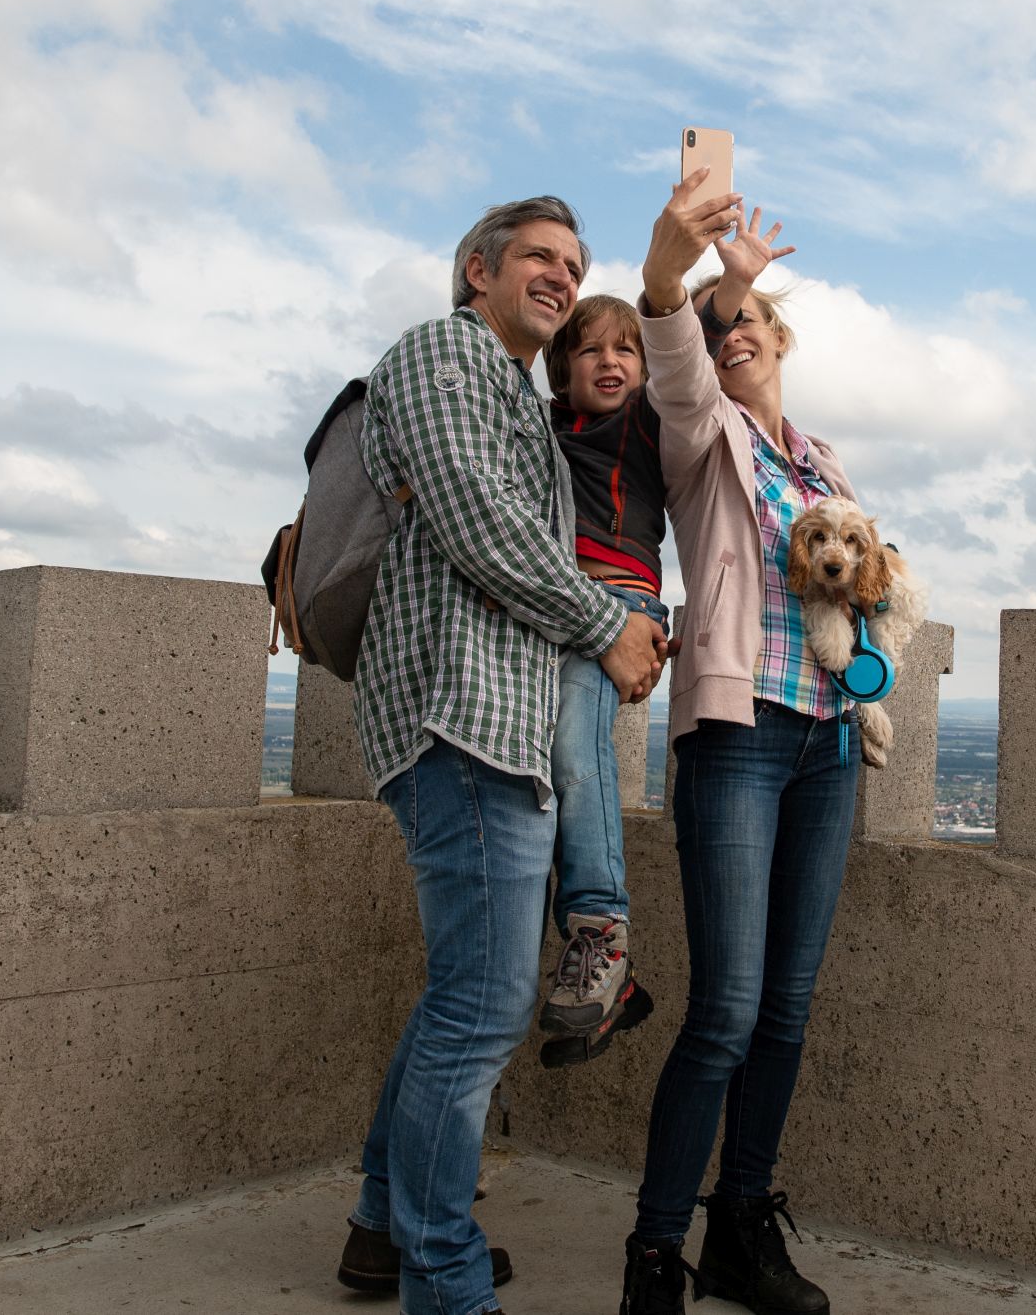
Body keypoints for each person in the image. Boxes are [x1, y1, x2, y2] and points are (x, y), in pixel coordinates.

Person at [339, 195, 668, 1315]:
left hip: (497, 730)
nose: (562, 276)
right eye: (540, 256)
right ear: (477, 270)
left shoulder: (518, 391)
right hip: (462, 723)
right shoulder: (444, 353)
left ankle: (383, 1226)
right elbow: (479, 518)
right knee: (481, 1013)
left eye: (574, 263)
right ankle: (446, 1281)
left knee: (460, 999)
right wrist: (608, 623)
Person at [620, 174, 855, 1315]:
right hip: (740, 735)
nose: (734, 335)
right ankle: (654, 1253)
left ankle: (741, 1229)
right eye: (721, 330)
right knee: (725, 1009)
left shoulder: (823, 461)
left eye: (752, 320)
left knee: (786, 1009)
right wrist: (690, 275)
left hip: (828, 742)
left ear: (783, 340)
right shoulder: (700, 431)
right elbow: (672, 334)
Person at [534, 293, 670, 1068]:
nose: (610, 361)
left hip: (619, 606)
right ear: (563, 368)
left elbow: (686, 345)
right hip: (551, 609)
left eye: (626, 349)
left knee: (575, 749)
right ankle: (603, 990)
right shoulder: (540, 427)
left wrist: (713, 293)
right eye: (590, 350)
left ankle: (601, 930)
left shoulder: (642, 423)